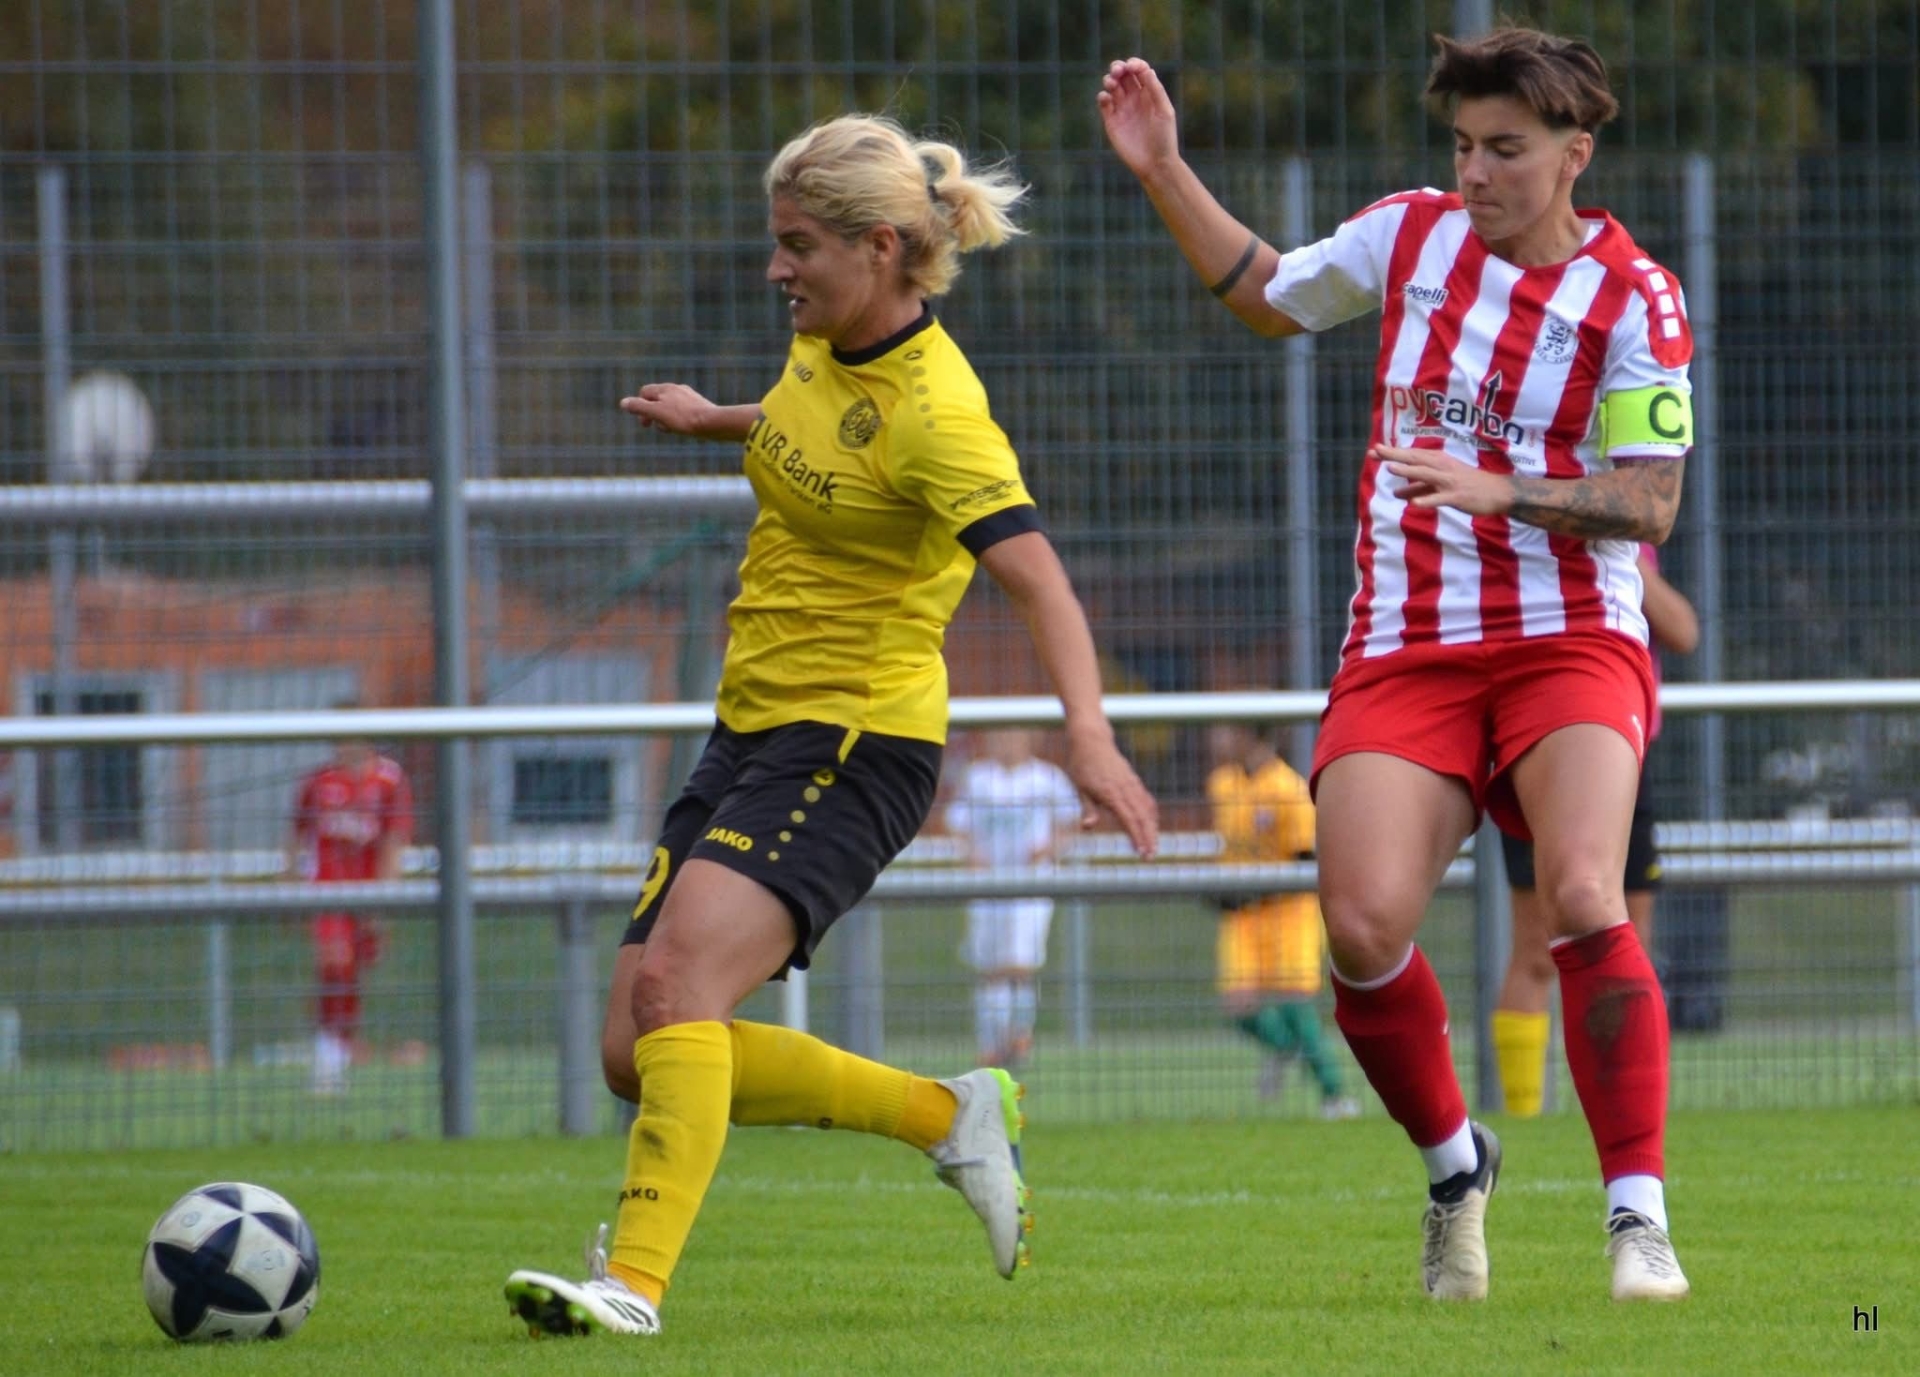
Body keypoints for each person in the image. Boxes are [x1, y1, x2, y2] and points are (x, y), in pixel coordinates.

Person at [504, 113, 1159, 1339]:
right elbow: (810, 429)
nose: (776, 270)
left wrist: (1090, 736)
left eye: (797, 246)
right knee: (632, 1048)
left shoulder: (940, 415)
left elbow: (1040, 584)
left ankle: (631, 1287)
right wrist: (718, 420)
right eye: (777, 242)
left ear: (880, 248)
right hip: (750, 728)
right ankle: (945, 1115)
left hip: (855, 745)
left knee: (678, 991)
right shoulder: (821, 342)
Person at [1102, 26, 1692, 1301]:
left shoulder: (1635, 297)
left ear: (1576, 155)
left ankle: (1637, 1219)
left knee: (1584, 894)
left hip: (1569, 642)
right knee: (1362, 928)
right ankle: (1455, 1169)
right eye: (1463, 145)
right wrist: (1163, 171)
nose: (1474, 172)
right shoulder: (1411, 235)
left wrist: (1503, 489)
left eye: (1505, 149)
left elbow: (1651, 505)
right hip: (1407, 649)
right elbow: (1266, 294)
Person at [1493, 547, 1699, 1117]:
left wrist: (1617, 549)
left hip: (1624, 754)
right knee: (1535, 951)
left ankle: (1630, 1108)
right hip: (1540, 750)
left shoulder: (1631, 537)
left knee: (1628, 944)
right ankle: (1525, 1114)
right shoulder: (1517, 536)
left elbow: (1683, 631)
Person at [1204, 722, 1360, 1119]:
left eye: (1226, 731)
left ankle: (1335, 1095)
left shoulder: (1289, 789)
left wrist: (1253, 889)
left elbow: (1304, 860)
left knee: (1295, 1006)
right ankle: (1284, 1047)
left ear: (1251, 736)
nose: (1217, 738)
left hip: (1289, 914)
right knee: (1238, 1006)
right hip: (1243, 918)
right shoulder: (1221, 784)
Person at [287, 705, 413, 1096]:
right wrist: (290, 888)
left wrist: (382, 900)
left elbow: (394, 841)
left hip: (367, 893)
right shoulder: (318, 782)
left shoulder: (389, 781)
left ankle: (338, 1049)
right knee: (334, 965)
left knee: (353, 975)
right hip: (327, 892)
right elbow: (296, 839)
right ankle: (326, 1055)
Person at [944, 728, 1083, 1069]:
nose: (1006, 742)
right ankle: (990, 1043)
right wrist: (971, 854)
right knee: (989, 967)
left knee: (1020, 963)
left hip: (1030, 887)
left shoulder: (1047, 778)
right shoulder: (978, 778)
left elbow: (1070, 823)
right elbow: (957, 825)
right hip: (986, 887)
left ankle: (1018, 1036)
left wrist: (1048, 849)